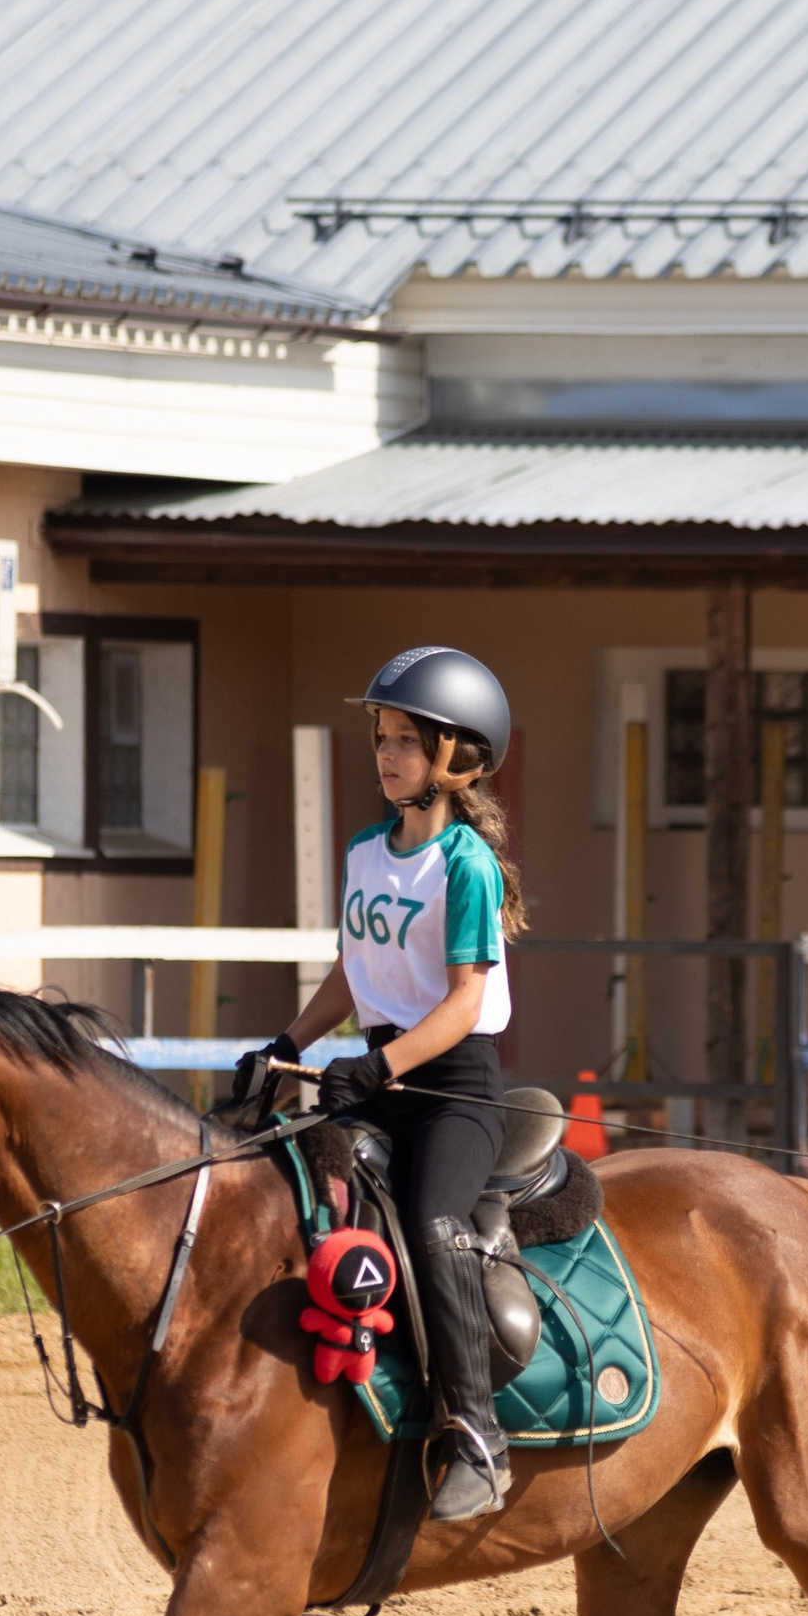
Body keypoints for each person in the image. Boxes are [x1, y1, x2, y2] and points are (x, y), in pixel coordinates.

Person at [230, 644, 525, 1522]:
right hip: (378, 1070)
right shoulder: (366, 852)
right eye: (382, 739)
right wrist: (285, 1041)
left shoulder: (463, 864)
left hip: (454, 1084)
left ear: (454, 757)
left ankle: (479, 1434)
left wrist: (381, 1063)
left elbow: (466, 1002)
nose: (386, 755)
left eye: (405, 740)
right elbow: (353, 973)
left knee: (433, 1224)